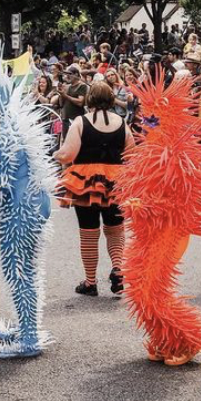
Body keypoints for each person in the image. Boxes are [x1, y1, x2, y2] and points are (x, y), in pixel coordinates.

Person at [55, 81, 135, 296]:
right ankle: (118, 268)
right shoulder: (122, 123)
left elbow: (68, 154)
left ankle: (90, 282)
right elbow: (132, 155)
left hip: (84, 182)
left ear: (90, 100)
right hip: (116, 181)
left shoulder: (81, 122)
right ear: (110, 100)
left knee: (89, 232)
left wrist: (55, 154)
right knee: (115, 229)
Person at [56, 65, 87, 140]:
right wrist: (60, 93)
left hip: (75, 119)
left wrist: (65, 95)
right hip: (66, 119)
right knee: (65, 140)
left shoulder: (82, 86)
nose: (67, 76)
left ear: (76, 74)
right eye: (67, 74)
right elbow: (61, 104)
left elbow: (80, 102)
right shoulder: (67, 86)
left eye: (69, 74)